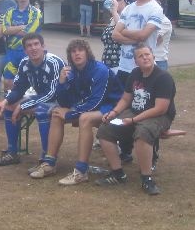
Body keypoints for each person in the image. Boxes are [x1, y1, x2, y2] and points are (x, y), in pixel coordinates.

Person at [29, 39, 124, 184]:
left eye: (80, 50)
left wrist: (71, 113)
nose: (77, 54)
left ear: (87, 53)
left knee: (84, 118)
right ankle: (49, 163)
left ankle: (81, 171)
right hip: (90, 107)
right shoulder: (72, 71)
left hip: (112, 107)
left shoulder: (100, 70)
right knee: (56, 114)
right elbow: (65, 102)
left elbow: (96, 101)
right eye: (73, 51)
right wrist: (61, 83)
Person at [96, 44, 176, 196]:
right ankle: (118, 174)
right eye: (141, 56)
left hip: (159, 116)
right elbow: (126, 99)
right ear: (135, 61)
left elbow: (161, 108)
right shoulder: (134, 74)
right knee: (104, 130)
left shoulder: (163, 77)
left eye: (147, 54)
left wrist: (133, 120)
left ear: (153, 56)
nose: (145, 58)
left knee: (143, 132)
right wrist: (113, 113)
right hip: (135, 111)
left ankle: (147, 179)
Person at [112, 0, 165, 162]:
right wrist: (135, 38)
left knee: (146, 112)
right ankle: (125, 150)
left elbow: (144, 35)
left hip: (145, 69)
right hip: (125, 67)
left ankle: (152, 154)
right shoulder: (128, 8)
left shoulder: (155, 8)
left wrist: (126, 34)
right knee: (124, 110)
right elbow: (114, 34)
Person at [0, 33, 65, 167]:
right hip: (43, 98)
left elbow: (52, 94)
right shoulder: (25, 63)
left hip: (63, 100)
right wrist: (5, 101)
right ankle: (12, 152)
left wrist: (23, 105)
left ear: (43, 46)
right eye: (29, 46)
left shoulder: (54, 62)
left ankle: (46, 157)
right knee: (9, 107)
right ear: (25, 50)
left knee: (42, 110)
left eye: (36, 44)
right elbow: (18, 88)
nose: (33, 48)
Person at [1, 0, 42, 93]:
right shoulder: (9, 12)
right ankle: (9, 103)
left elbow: (28, 33)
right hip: (11, 52)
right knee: (8, 82)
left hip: (29, 52)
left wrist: (13, 29)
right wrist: (22, 26)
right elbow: (4, 30)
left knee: (30, 84)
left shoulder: (36, 12)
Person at [100, 0, 127, 69]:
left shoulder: (128, 15)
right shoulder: (112, 18)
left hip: (120, 64)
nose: (114, 1)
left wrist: (114, 12)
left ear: (125, 0)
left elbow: (123, 30)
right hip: (107, 64)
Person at [150, 0, 173, 71]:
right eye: (152, 4)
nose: (154, 7)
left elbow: (154, 40)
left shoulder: (164, 21)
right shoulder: (149, 19)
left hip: (158, 61)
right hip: (147, 59)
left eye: (158, 4)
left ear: (163, 6)